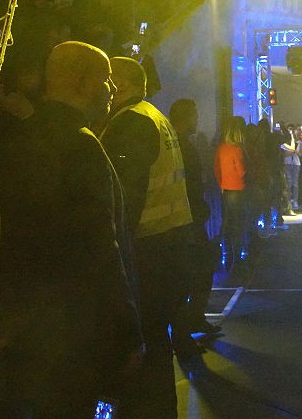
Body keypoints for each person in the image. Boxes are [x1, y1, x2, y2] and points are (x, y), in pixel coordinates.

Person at [0, 41, 143, 417]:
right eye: (106, 80)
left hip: (30, 324)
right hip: (77, 329)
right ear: (82, 82)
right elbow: (100, 246)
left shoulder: (20, 139)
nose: (112, 90)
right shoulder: (81, 146)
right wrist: (127, 329)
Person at [99, 56, 194, 417]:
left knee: (144, 351)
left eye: (108, 81)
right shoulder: (154, 116)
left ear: (121, 84)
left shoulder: (131, 123)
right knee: (157, 344)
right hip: (169, 245)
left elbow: (126, 199)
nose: (104, 89)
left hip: (147, 251)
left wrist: (113, 256)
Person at [169, 99, 222, 336]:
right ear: (185, 117)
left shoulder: (177, 145)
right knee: (197, 272)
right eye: (194, 115)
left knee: (195, 272)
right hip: (186, 220)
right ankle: (187, 325)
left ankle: (192, 321)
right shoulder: (181, 147)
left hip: (185, 218)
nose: (197, 119)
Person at [214, 116, 249, 270]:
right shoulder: (237, 149)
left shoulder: (221, 148)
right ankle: (238, 256)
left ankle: (227, 255)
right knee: (238, 224)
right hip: (238, 189)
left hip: (225, 190)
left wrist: (221, 184)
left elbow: (216, 169)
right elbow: (241, 171)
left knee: (227, 224)